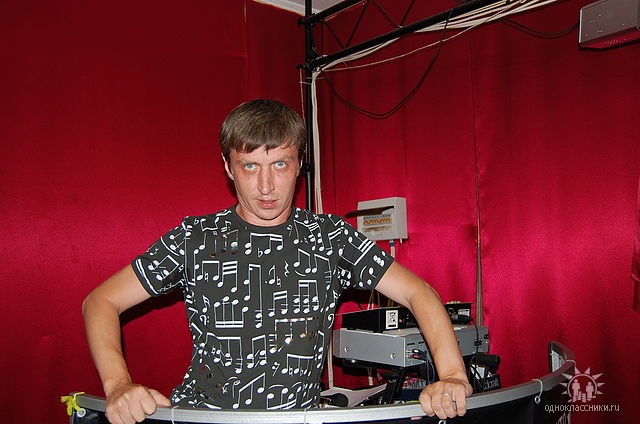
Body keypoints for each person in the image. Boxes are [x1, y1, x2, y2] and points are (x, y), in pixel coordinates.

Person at [83, 99, 472, 424]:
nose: (266, 186)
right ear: (228, 167)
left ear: (299, 164)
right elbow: (100, 301)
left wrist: (453, 375)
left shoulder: (331, 237)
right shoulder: (195, 238)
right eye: (250, 166)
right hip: (204, 418)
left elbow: (419, 292)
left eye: (280, 164)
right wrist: (118, 384)